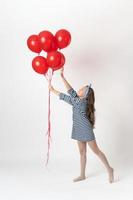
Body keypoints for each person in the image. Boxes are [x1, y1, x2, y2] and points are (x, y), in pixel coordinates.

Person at [49, 67, 114, 183]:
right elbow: (71, 92)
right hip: (78, 128)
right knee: (82, 152)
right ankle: (82, 175)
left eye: (82, 89)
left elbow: (68, 96)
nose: (79, 89)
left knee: (96, 151)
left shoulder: (81, 103)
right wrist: (62, 77)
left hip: (86, 130)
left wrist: (53, 90)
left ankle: (109, 169)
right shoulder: (78, 100)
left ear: (85, 95)